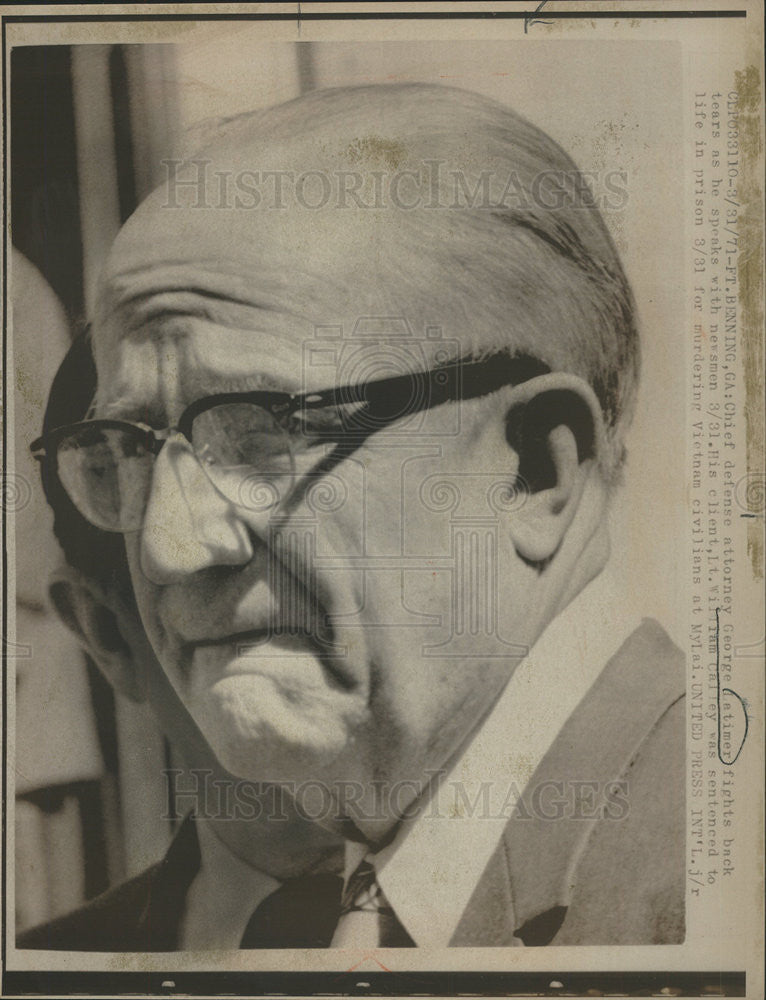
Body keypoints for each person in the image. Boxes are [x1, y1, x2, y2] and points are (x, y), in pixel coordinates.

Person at [20, 83, 684, 949]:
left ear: (533, 473)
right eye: (130, 449)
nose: (168, 547)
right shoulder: (382, 897)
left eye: (259, 435)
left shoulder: (712, 884)